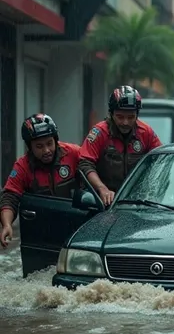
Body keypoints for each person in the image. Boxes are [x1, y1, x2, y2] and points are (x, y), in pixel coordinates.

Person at [0, 113, 80, 249]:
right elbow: (10, 197)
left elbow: (93, 172)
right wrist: (6, 225)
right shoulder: (22, 166)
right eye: (39, 146)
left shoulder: (73, 153)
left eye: (50, 143)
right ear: (30, 147)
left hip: (74, 226)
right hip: (42, 231)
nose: (47, 150)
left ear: (56, 140)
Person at [78, 85, 162, 206]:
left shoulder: (146, 132)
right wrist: (102, 189)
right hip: (105, 202)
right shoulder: (99, 132)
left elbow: (160, 160)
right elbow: (85, 163)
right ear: (111, 114)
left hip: (138, 202)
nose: (125, 122)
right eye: (120, 117)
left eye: (131, 117)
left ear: (137, 115)